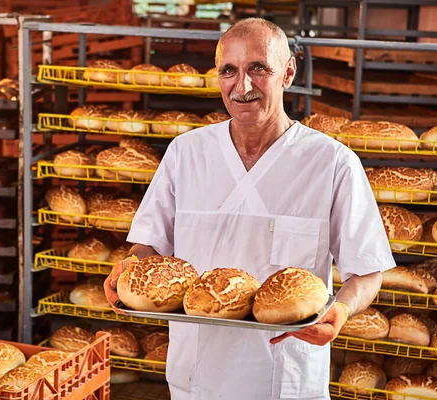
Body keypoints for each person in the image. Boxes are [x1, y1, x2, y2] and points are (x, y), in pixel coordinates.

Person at [104, 18, 395, 400]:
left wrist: (339, 311)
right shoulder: (186, 153)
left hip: (285, 378)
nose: (242, 86)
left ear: (288, 72)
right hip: (195, 376)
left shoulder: (332, 162)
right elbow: (149, 248)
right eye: (229, 71)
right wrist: (129, 268)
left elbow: (366, 272)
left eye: (258, 69)